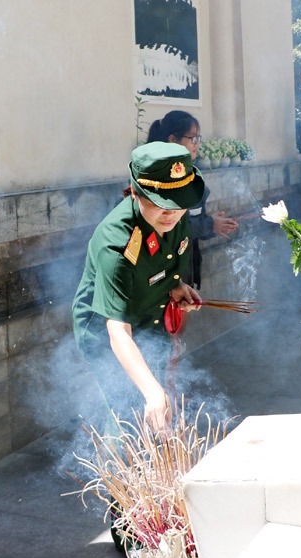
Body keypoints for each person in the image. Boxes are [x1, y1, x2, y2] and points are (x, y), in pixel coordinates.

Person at [72, 142, 204, 436]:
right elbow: (117, 330)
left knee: (156, 399)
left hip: (149, 313)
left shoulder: (173, 217)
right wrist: (152, 393)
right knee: (127, 410)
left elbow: (161, 265)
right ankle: (119, 475)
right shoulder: (117, 244)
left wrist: (176, 286)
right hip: (107, 330)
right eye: (160, 203)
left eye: (178, 202)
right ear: (135, 192)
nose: (171, 213)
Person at [146, 110, 237, 288]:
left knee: (184, 311)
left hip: (185, 264)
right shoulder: (154, 176)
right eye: (192, 138)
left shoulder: (192, 177)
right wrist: (209, 224)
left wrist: (213, 225)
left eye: (198, 138)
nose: (197, 144)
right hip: (160, 267)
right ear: (173, 139)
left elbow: (192, 225)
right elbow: (164, 227)